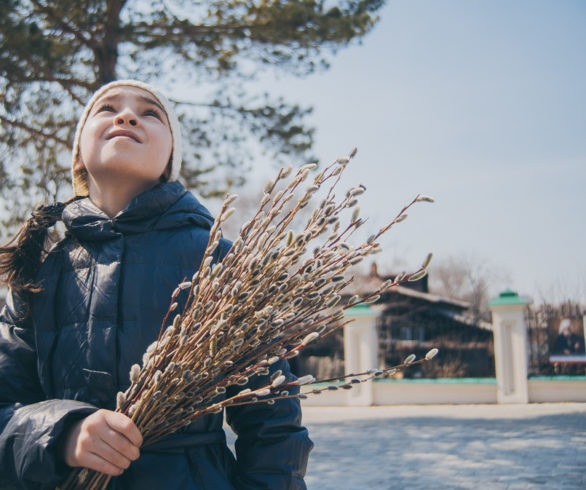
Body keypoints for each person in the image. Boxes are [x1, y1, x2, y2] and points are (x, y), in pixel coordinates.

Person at [0, 80, 313, 489]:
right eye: (107, 108)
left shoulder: (217, 261)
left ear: (170, 157)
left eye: (150, 113)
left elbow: (272, 419)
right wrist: (60, 434)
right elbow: (6, 407)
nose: (127, 116)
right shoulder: (40, 270)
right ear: (79, 155)